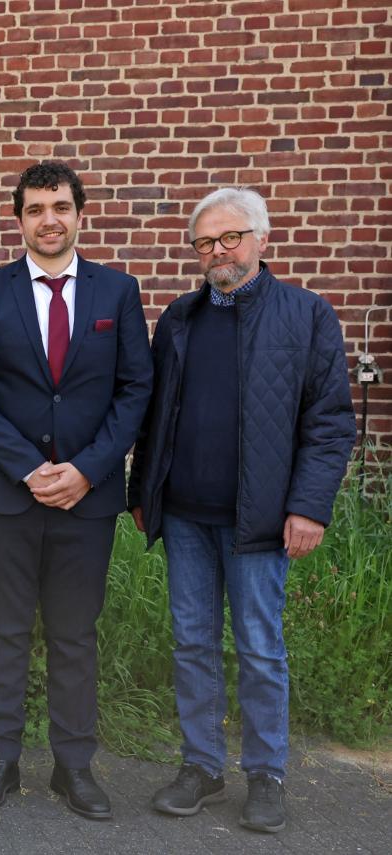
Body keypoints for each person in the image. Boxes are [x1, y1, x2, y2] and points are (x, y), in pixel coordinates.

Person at [129, 187, 355, 834]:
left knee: (259, 646)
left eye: (230, 237)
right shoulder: (178, 319)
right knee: (192, 641)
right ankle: (201, 765)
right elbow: (155, 416)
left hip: (258, 521)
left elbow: (330, 423)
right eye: (205, 242)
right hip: (185, 519)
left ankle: (266, 773)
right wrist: (142, 491)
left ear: (262, 238)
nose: (218, 251)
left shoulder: (307, 315)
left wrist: (309, 505)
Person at [0, 161, 152, 820]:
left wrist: (89, 470)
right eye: (35, 208)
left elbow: (133, 390)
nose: (48, 219)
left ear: (80, 214)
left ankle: (73, 764)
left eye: (59, 206)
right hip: (6, 495)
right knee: (3, 632)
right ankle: (0, 760)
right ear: (19, 220)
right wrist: (28, 468)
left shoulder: (117, 292)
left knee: (73, 634)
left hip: (86, 499)